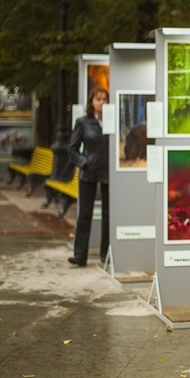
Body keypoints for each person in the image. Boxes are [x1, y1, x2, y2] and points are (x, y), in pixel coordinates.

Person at [68, 86, 110, 267]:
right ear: (91, 102)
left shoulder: (112, 122)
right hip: (88, 173)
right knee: (85, 214)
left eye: (104, 99)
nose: (101, 103)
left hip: (108, 175)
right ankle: (80, 255)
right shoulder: (83, 123)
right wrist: (85, 162)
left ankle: (105, 254)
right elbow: (72, 150)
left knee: (109, 215)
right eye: (98, 99)